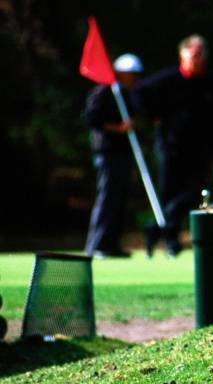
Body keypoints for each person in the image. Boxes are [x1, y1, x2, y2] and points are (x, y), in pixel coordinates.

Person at [136, 34, 213, 257]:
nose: (197, 58)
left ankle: (155, 229)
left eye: (200, 54)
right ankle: (170, 240)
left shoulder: (210, 82)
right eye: (193, 54)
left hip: (199, 148)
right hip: (170, 146)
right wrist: (152, 116)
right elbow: (139, 93)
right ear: (182, 54)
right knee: (169, 193)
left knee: (194, 192)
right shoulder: (167, 79)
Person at [82, 53, 144, 258]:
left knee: (120, 199)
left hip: (123, 153)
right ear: (120, 73)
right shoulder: (104, 92)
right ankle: (97, 245)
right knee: (107, 198)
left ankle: (111, 245)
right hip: (107, 153)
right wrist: (118, 128)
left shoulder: (129, 95)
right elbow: (90, 119)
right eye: (131, 74)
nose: (134, 78)